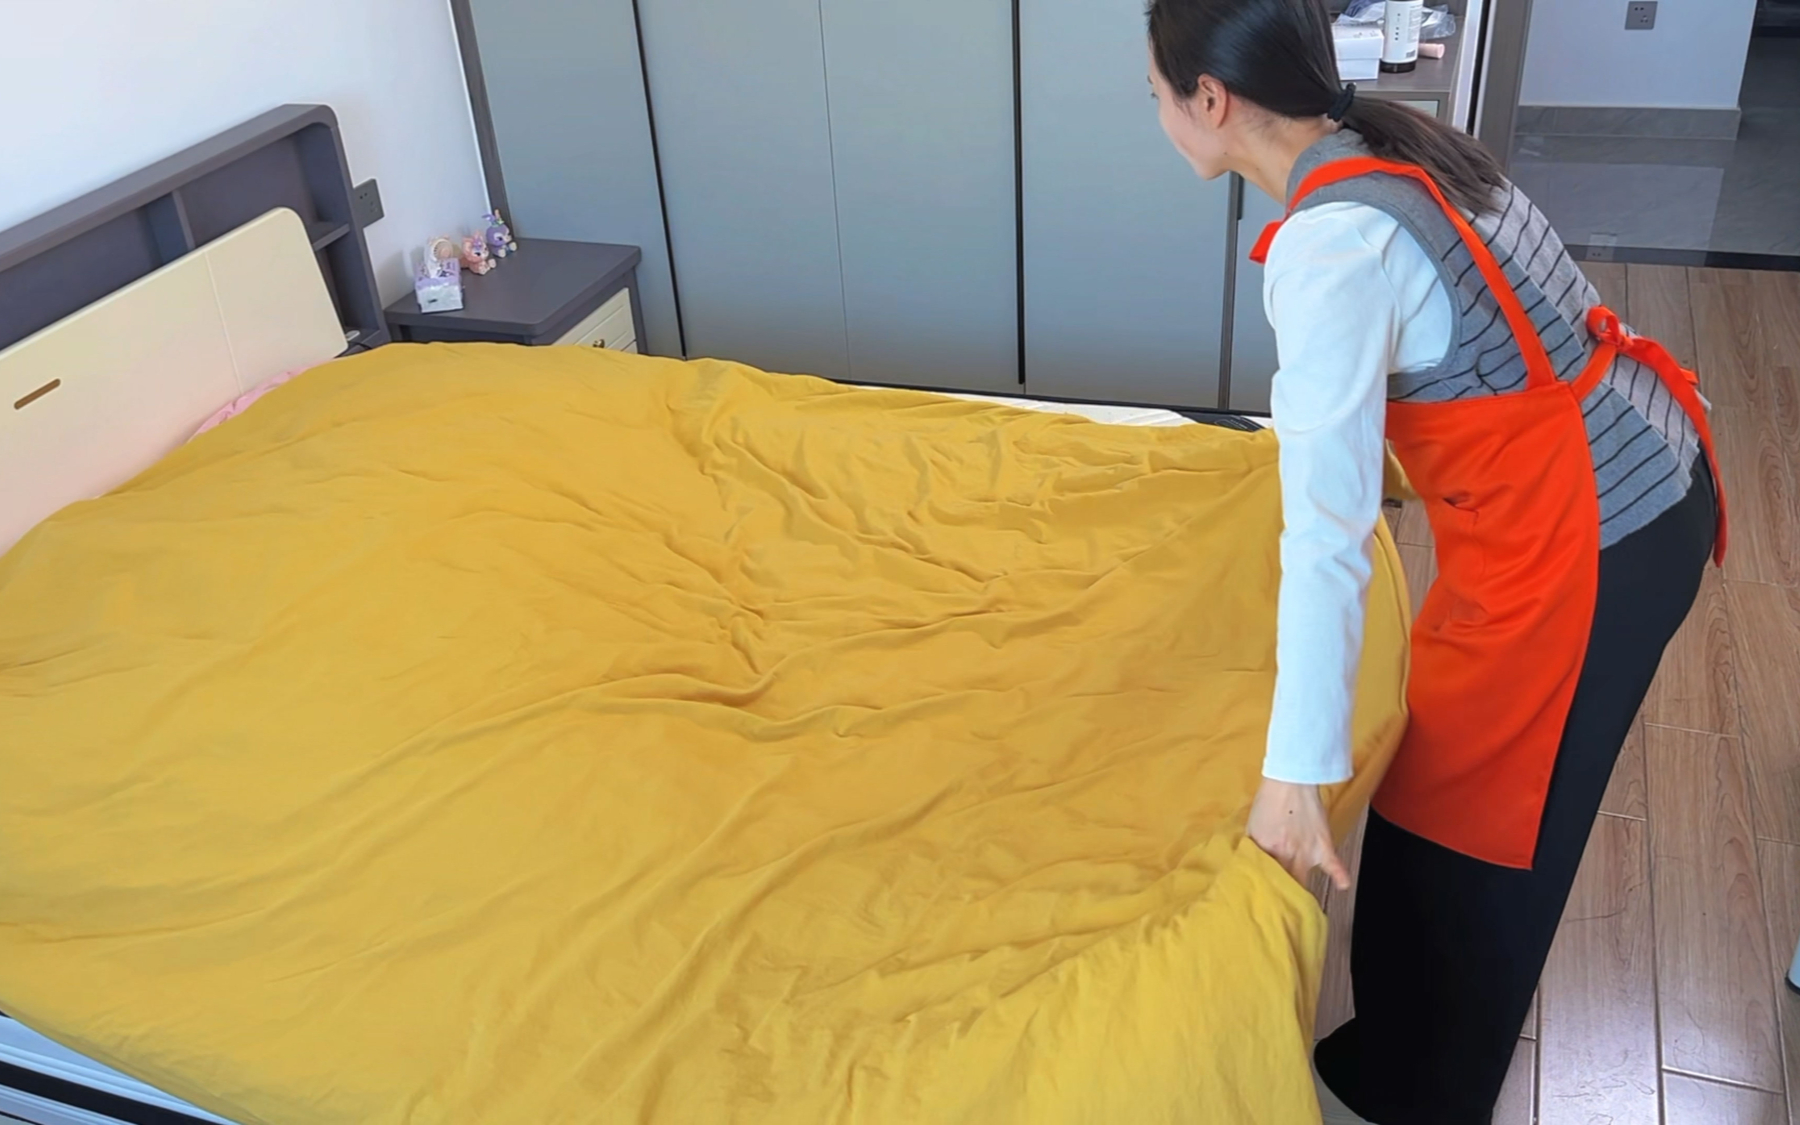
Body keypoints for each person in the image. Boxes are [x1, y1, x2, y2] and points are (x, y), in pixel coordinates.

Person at [1143, 0, 1727, 1121]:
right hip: (1641, 471)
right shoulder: (1400, 147)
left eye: (1156, 92)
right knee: (1440, 805)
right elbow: (1478, 361)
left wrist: (1294, 781)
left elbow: (1329, 540)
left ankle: (1419, 1094)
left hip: (1592, 539)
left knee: (1482, 832)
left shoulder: (1331, 248)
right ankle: (1401, 1064)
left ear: (1209, 100)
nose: (1156, 112)